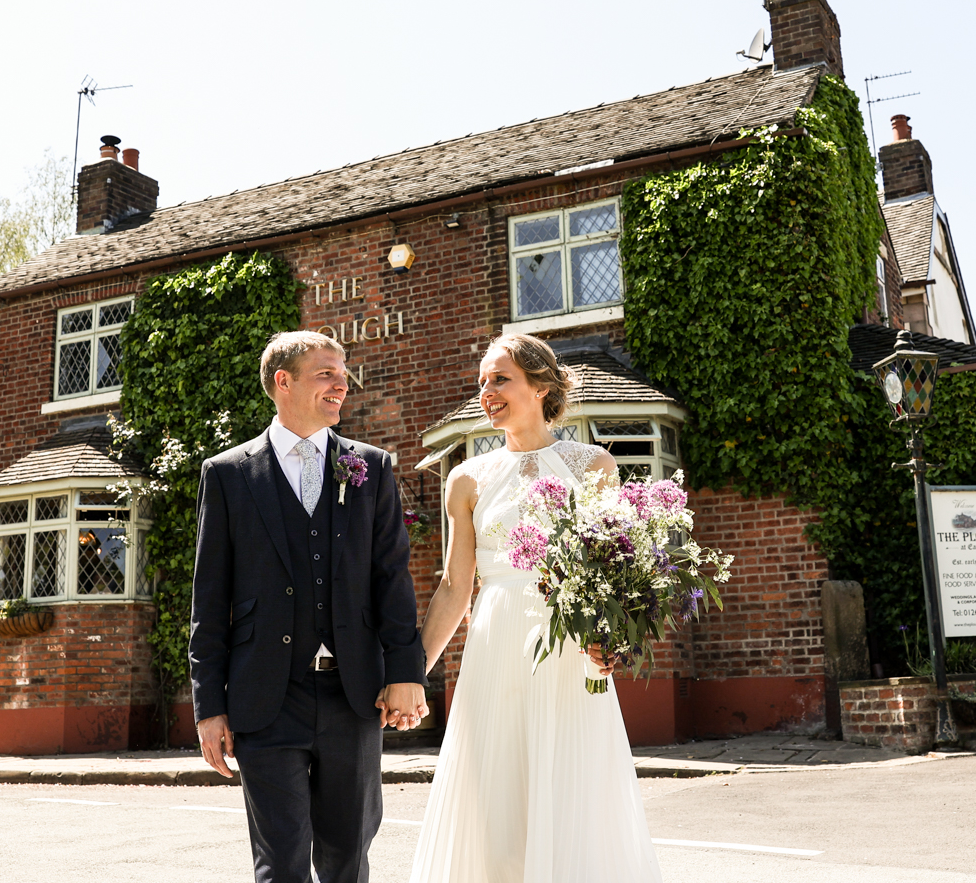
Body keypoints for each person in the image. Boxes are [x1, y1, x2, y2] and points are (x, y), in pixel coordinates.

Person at [409, 333, 664, 883]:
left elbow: (611, 569)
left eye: (500, 378)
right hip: (494, 650)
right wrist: (410, 675)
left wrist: (610, 635)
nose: (487, 391)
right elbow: (455, 588)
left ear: (541, 386)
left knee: (572, 788)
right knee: (493, 795)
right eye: (482, 381)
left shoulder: (593, 464)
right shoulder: (465, 479)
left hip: (568, 650)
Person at [189, 330, 428, 883]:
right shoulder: (227, 474)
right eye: (326, 373)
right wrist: (209, 707)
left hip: (354, 693)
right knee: (281, 865)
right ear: (283, 382)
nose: (342, 383)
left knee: (348, 859)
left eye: (343, 373)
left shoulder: (371, 467)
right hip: (265, 699)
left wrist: (405, 673)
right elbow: (210, 598)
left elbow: (392, 579)